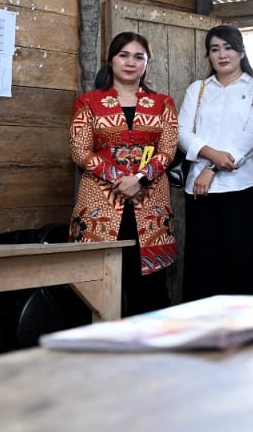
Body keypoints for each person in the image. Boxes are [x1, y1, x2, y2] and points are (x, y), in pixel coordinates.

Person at [70, 31, 177, 316]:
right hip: (100, 204)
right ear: (111, 60)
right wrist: (121, 179)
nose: (131, 62)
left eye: (139, 56)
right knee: (98, 288)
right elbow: (80, 151)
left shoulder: (162, 103)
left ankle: (150, 354)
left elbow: (167, 151)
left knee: (150, 289)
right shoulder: (88, 102)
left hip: (150, 203)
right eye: (123, 55)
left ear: (147, 62)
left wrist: (139, 178)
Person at [178, 25, 253, 301]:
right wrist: (211, 155)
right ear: (209, 56)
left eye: (228, 47)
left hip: (243, 189)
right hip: (200, 193)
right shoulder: (198, 89)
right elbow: (182, 132)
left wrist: (213, 168)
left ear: (241, 51)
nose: (222, 54)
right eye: (215, 49)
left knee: (244, 265)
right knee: (203, 267)